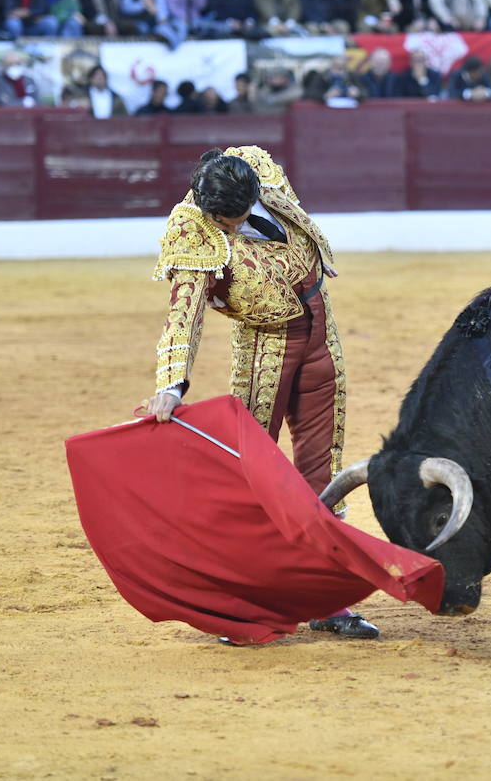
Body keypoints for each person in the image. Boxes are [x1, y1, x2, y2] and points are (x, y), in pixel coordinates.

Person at [143, 147, 379, 640]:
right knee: (251, 476)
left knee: (322, 468)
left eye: (245, 209)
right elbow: (183, 312)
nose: (241, 222)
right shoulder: (191, 230)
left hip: (321, 333)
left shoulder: (258, 170)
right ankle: (244, 603)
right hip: (265, 347)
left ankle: (327, 598)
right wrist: (170, 384)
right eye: (230, 219)